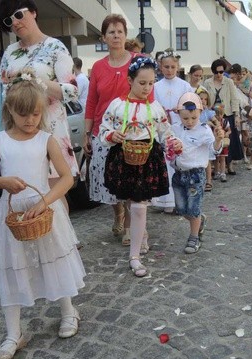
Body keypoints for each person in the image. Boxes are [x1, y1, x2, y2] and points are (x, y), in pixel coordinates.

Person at [0, 74, 85, 359]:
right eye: (23, 114)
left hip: (44, 211)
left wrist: (46, 201)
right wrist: (4, 182)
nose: (30, 120)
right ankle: (13, 333)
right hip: (13, 214)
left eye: (36, 113)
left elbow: (66, 178)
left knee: (54, 259)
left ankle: (68, 311)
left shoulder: (46, 140)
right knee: (13, 268)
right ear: (9, 110)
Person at [99, 56, 182, 277]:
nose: (147, 88)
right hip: (123, 157)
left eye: (151, 83)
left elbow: (166, 133)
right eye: (142, 83)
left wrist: (174, 143)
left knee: (139, 206)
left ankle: (134, 256)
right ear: (130, 80)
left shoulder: (155, 108)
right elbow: (102, 130)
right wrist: (112, 135)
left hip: (147, 158)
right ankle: (140, 233)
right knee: (130, 201)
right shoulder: (117, 105)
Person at [0, 0, 79, 212]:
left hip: (50, 130)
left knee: (54, 197)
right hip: (19, 135)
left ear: (33, 13)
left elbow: (71, 91)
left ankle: (65, 244)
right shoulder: (10, 52)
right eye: (8, 20)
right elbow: (3, 96)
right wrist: (2, 136)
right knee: (27, 195)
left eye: (18, 15)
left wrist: (33, 79)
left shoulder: (54, 47)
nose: (14, 22)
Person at [83, 14, 140, 243]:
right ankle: (117, 213)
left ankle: (129, 226)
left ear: (125, 35)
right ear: (103, 37)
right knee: (111, 180)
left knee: (130, 180)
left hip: (132, 131)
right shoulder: (97, 67)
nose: (116, 36)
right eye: (111, 32)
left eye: (120, 31)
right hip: (104, 133)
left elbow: (148, 94)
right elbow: (91, 102)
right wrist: (87, 134)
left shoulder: (138, 61)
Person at [171, 92, 225, 253]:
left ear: (200, 114)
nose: (189, 121)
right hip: (179, 174)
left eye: (194, 118)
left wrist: (218, 140)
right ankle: (200, 219)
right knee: (181, 209)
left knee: (193, 208)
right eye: (185, 118)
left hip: (196, 175)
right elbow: (166, 145)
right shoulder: (174, 129)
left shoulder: (204, 130)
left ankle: (193, 237)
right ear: (178, 114)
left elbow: (213, 150)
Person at [151, 49, 193, 213]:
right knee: (165, 164)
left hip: (179, 125)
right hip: (162, 128)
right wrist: (159, 111)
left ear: (178, 67)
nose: (169, 70)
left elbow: (191, 104)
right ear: (160, 67)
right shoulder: (155, 86)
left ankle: (181, 200)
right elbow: (151, 104)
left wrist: (180, 109)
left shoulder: (184, 85)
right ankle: (166, 201)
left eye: (172, 67)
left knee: (180, 163)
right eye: (166, 67)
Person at [202, 58, 241, 179]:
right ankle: (216, 167)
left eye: (221, 72)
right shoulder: (207, 83)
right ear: (213, 72)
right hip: (213, 114)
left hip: (226, 113)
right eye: (217, 72)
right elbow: (204, 97)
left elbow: (234, 99)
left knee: (229, 139)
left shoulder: (229, 82)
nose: (219, 74)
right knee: (215, 140)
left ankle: (229, 165)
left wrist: (236, 115)